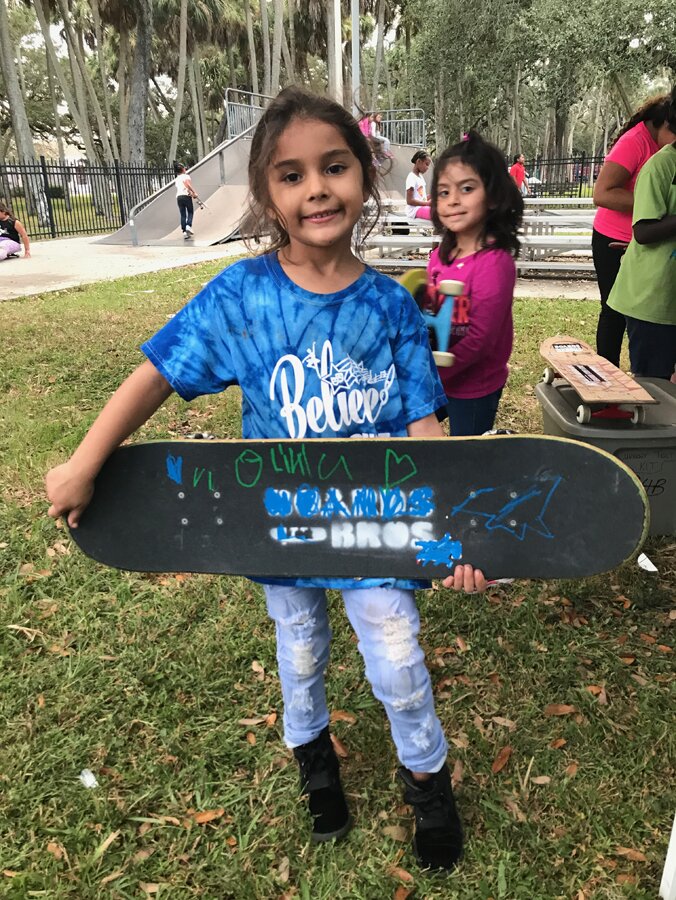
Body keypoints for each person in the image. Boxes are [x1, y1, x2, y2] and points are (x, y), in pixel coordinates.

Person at [45, 86, 486, 872]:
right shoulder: (241, 297)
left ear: (366, 176)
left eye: (334, 167)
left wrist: (453, 531)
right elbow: (156, 373)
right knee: (300, 648)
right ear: (267, 193)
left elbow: (425, 432)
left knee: (396, 656)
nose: (316, 188)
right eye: (291, 175)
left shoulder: (390, 306)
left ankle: (427, 780)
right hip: (280, 524)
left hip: (377, 526)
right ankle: (314, 759)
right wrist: (84, 463)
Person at [423, 131, 523, 436]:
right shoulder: (439, 256)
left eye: (466, 188)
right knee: (412, 436)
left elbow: (480, 339)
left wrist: (436, 373)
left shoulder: (494, 264)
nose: (453, 200)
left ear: (492, 197)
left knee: (468, 453)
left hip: (474, 387)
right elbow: (431, 312)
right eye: (443, 192)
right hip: (439, 375)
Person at [592, 89, 676, 366]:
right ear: (665, 125)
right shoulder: (635, 142)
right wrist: (657, 207)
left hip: (653, 243)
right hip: (613, 238)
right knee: (614, 311)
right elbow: (601, 193)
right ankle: (607, 378)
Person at [406, 150, 432, 221]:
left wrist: (432, 196)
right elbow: (409, 201)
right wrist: (427, 203)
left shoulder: (420, 177)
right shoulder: (411, 177)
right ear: (419, 161)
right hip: (414, 210)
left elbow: (421, 198)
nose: (427, 167)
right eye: (426, 164)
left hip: (421, 207)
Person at [174, 162, 198, 239]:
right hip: (186, 196)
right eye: (184, 168)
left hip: (179, 197)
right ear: (183, 169)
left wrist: (191, 194)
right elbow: (187, 185)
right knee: (190, 212)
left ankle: (184, 232)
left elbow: (182, 187)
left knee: (183, 214)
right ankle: (188, 225)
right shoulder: (186, 176)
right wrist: (194, 193)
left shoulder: (177, 179)